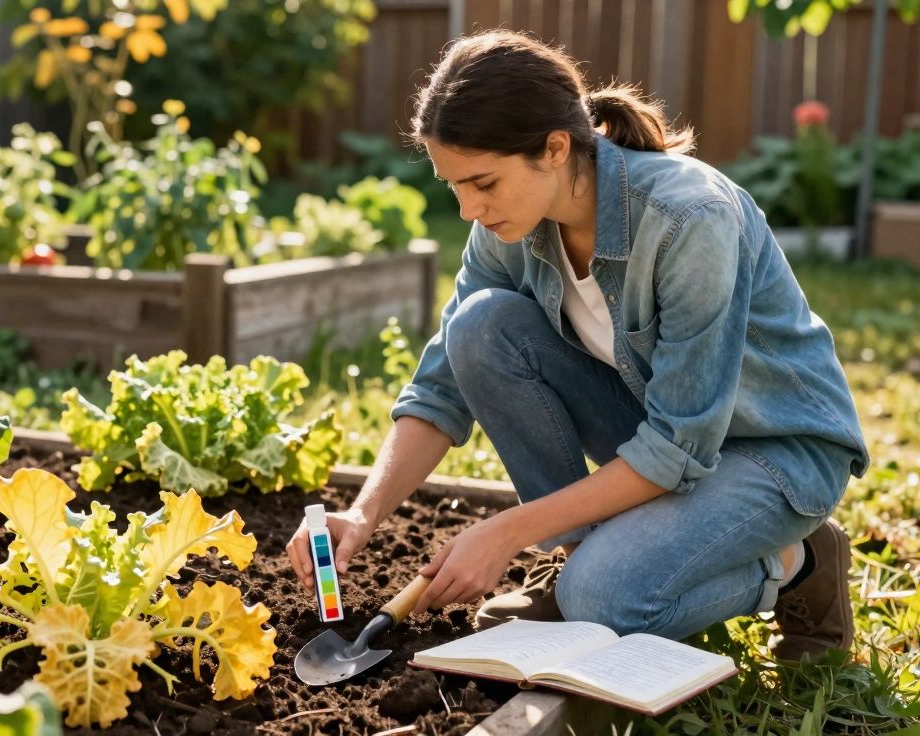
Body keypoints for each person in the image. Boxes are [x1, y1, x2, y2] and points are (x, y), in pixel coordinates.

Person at [285, 29, 868, 660]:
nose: (467, 209)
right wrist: (365, 514)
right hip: (661, 429)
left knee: (602, 603)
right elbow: (441, 386)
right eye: (453, 185)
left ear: (556, 148)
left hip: (772, 449)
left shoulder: (688, 219)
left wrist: (508, 531)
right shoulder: (509, 225)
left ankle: (796, 563)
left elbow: (680, 443)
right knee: (479, 327)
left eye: (483, 182)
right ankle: (575, 560)